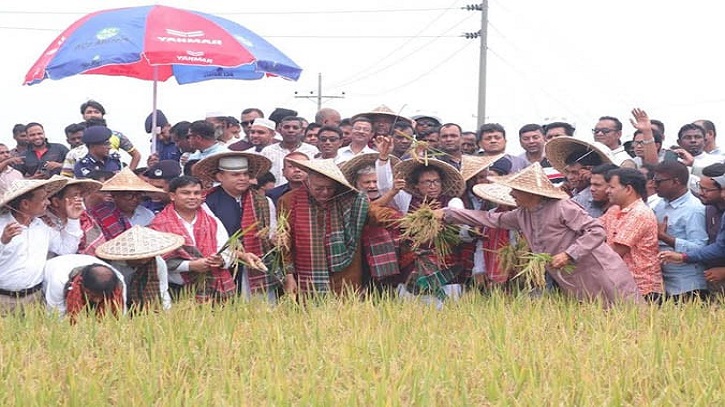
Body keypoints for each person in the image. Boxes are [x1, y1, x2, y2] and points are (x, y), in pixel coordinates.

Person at [442, 163, 642, 306]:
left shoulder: (563, 207)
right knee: (592, 319)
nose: (511, 195)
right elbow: (491, 219)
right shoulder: (522, 214)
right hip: (571, 278)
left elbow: (596, 231)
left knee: (623, 315)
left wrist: (568, 254)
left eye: (516, 191)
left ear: (532, 193)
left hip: (601, 273)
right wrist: (447, 214)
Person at [192, 152, 281, 300]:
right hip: (222, 266)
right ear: (220, 177)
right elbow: (207, 240)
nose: (243, 178)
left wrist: (276, 239)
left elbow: (272, 234)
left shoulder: (264, 202)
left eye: (246, 174)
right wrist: (238, 255)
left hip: (258, 266)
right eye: (235, 174)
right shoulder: (207, 204)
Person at [278, 159, 370, 297]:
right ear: (308, 182)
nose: (325, 192)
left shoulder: (349, 200)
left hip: (345, 274)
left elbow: (374, 212)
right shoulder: (289, 201)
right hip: (307, 276)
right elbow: (285, 243)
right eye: (319, 188)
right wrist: (289, 275)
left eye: (330, 188)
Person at [0, 177, 83, 314]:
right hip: (3, 300)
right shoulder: (2, 225)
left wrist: (73, 220)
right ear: (25, 204)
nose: (48, 202)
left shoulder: (42, 227)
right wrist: (3, 241)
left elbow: (66, 250)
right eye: (43, 199)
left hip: (34, 299)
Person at [149, 176, 235, 302]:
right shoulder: (159, 225)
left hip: (214, 287)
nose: (192, 197)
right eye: (186, 193)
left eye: (197, 193)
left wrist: (220, 260)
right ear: (172, 196)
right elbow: (156, 260)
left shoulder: (212, 221)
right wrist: (189, 266)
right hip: (177, 291)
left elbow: (227, 250)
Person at [600, 167, 663, 301]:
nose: (607, 191)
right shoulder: (614, 210)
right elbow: (593, 230)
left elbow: (616, 252)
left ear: (628, 189)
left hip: (642, 288)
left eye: (611, 187)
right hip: (620, 286)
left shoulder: (640, 213)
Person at [651, 161, 708, 300]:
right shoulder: (660, 204)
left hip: (687, 285)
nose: (654, 185)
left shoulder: (694, 209)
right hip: (664, 282)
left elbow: (700, 247)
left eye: (658, 182)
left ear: (675, 182)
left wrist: (665, 237)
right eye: (653, 180)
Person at [95, 226, 183, 311]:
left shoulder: (157, 262)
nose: (144, 260)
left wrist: (167, 313)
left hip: (145, 304)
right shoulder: (112, 266)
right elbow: (115, 295)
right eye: (139, 258)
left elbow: (162, 290)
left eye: (146, 256)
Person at [43, 255, 126, 322]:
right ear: (81, 284)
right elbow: (56, 318)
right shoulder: (59, 280)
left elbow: (120, 317)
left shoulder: (118, 284)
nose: (97, 300)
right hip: (45, 281)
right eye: (93, 295)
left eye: (102, 296)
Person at [88, 167, 163, 239]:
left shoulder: (148, 215)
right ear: (115, 195)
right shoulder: (100, 215)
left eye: (138, 195)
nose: (135, 199)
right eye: (129, 195)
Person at [42, 177, 105, 256]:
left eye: (80, 195)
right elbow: (66, 252)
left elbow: (100, 247)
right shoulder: (44, 223)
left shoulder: (84, 218)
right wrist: (73, 220)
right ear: (56, 202)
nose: (80, 199)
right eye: (75, 195)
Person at [80, 100, 141, 170]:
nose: (93, 115)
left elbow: (136, 155)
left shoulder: (116, 135)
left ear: (102, 115)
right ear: (83, 116)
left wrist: (129, 174)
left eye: (96, 112)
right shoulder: (78, 136)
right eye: (89, 112)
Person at [261, 116, 318, 186]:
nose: (291, 130)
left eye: (295, 128)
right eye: (286, 127)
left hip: (306, 193)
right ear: (279, 130)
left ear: (302, 131)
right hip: (275, 194)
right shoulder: (267, 151)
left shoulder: (312, 151)